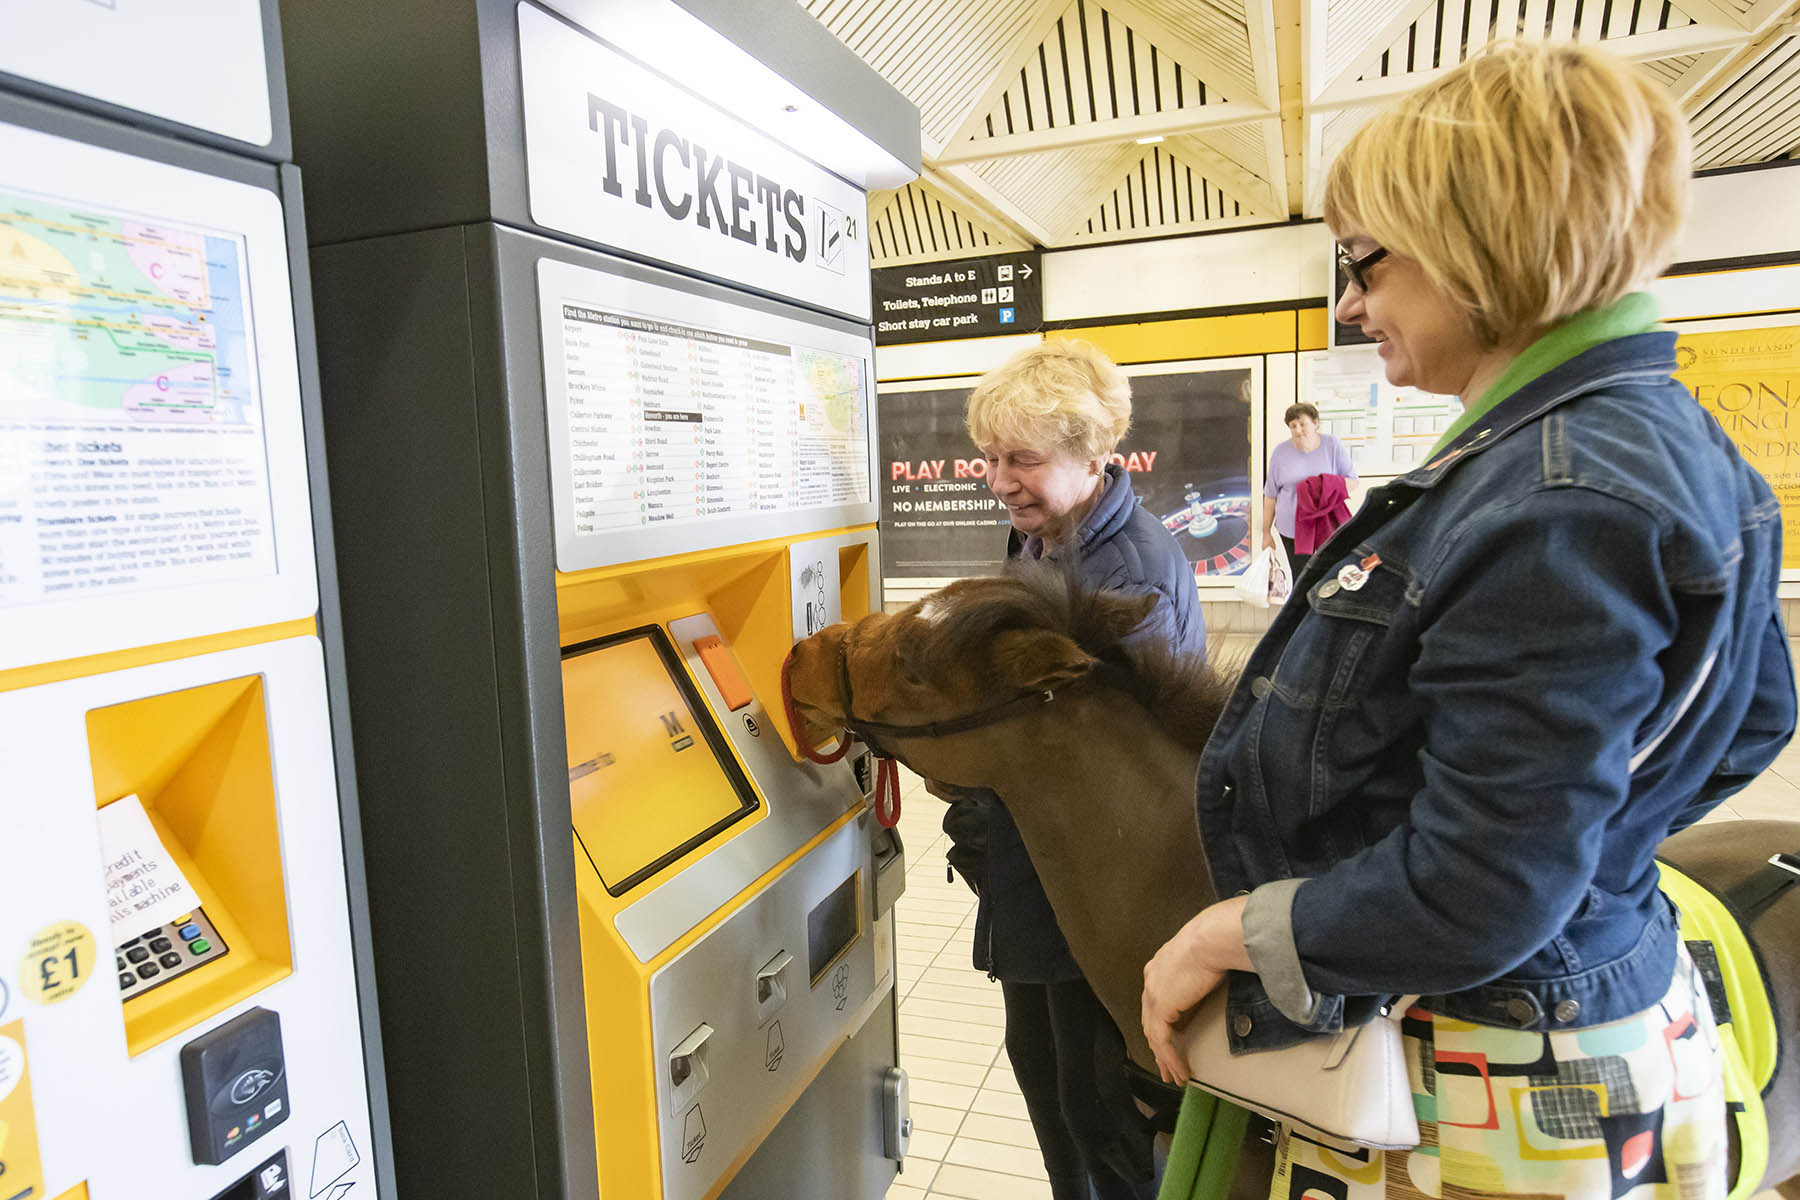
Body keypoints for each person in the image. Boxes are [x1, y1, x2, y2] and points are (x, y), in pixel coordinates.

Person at [1139, 40, 1794, 1200]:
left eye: (1365, 262)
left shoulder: (1552, 497)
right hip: (1586, 1017)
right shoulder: (1662, 443)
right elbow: (1754, 718)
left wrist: (1224, 933)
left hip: (1492, 1071)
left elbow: (1480, 890)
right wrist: (1593, 854)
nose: (1351, 303)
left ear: (1473, 239)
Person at [940, 338, 1206, 1200]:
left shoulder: (1124, 576)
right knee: (1048, 1082)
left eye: (1023, 459)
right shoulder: (1046, 537)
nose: (1000, 480)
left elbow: (1114, 758)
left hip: (1099, 886)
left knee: (1097, 1108)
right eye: (990, 458)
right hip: (1042, 865)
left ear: (1094, 458)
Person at [1261, 402, 1356, 577]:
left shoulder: (1332, 445)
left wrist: (1324, 486)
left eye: (1302, 424)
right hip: (1291, 530)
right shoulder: (1280, 453)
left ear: (1316, 423)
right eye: (1293, 426)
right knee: (1301, 577)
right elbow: (1270, 495)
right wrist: (1266, 532)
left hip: (1326, 526)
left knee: (1329, 574)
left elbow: (1352, 481)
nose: (1298, 430)